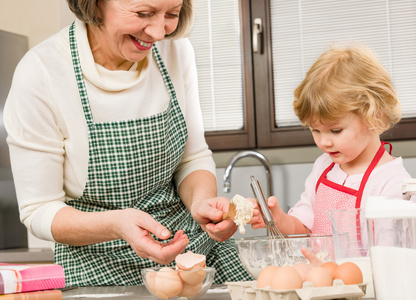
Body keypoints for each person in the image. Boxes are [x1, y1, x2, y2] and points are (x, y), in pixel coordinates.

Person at [3, 0, 253, 286]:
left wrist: (202, 204)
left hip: (193, 253)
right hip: (98, 268)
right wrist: (118, 225)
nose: (159, 33)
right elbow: (39, 209)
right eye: (143, 14)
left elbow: (192, 158)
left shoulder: (176, 50)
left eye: (171, 14)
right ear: (96, 6)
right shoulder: (42, 73)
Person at [250, 44, 412, 236]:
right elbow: (305, 227)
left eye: (336, 130)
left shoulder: (393, 183)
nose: (324, 142)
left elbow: (391, 255)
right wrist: (279, 220)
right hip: (321, 266)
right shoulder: (324, 167)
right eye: (315, 130)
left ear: (374, 117)